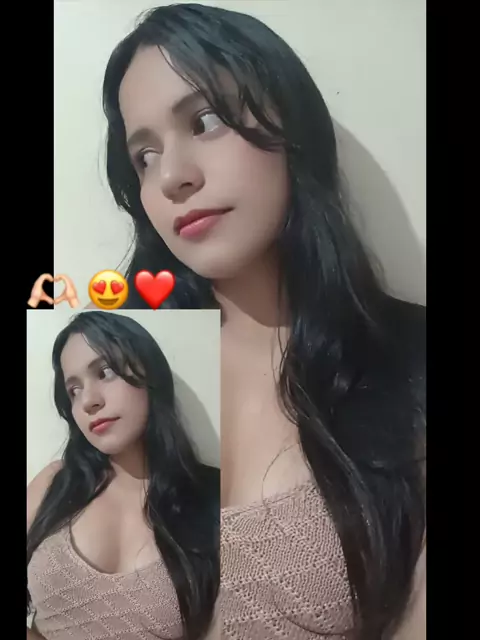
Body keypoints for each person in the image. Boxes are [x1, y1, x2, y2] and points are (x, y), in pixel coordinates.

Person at [101, 4, 426, 639]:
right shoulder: (141, 378)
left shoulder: (407, 366)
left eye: (205, 120)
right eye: (144, 156)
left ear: (291, 123)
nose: (171, 178)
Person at [27, 311, 220, 640]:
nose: (88, 401)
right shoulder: (54, 484)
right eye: (73, 390)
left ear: (149, 372)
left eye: (104, 372)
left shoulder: (214, 498)